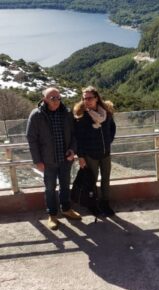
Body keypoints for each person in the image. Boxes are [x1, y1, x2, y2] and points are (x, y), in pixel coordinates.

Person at [26, 87, 82, 230]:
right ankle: (52, 215)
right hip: (47, 161)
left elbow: (75, 134)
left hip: (65, 159)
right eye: (53, 98)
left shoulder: (67, 113)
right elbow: (31, 139)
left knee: (65, 186)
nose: (56, 101)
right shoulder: (36, 115)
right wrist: (37, 161)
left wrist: (72, 150)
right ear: (44, 99)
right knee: (50, 188)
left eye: (58, 98)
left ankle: (66, 209)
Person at [73, 86, 116, 216]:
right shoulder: (81, 116)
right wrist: (80, 156)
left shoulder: (106, 112)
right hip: (90, 155)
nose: (87, 101)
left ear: (96, 98)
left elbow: (112, 128)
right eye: (85, 98)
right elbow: (78, 138)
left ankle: (105, 203)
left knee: (106, 179)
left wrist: (107, 142)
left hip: (105, 153)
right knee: (91, 181)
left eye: (90, 98)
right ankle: (92, 204)